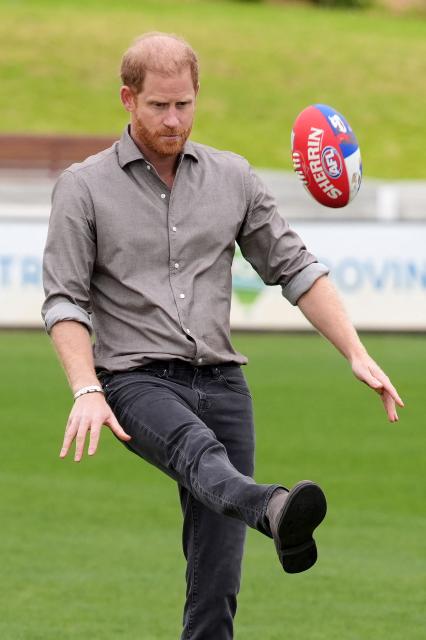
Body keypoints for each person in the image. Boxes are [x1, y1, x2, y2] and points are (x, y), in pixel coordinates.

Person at [41, 32, 404, 640]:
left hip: (224, 381)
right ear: (127, 99)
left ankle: (267, 515)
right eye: (159, 106)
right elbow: (63, 299)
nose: (174, 119)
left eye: (185, 104)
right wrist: (85, 388)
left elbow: (293, 265)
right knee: (197, 453)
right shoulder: (83, 187)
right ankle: (273, 507)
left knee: (217, 584)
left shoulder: (233, 177)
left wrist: (356, 352)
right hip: (135, 381)